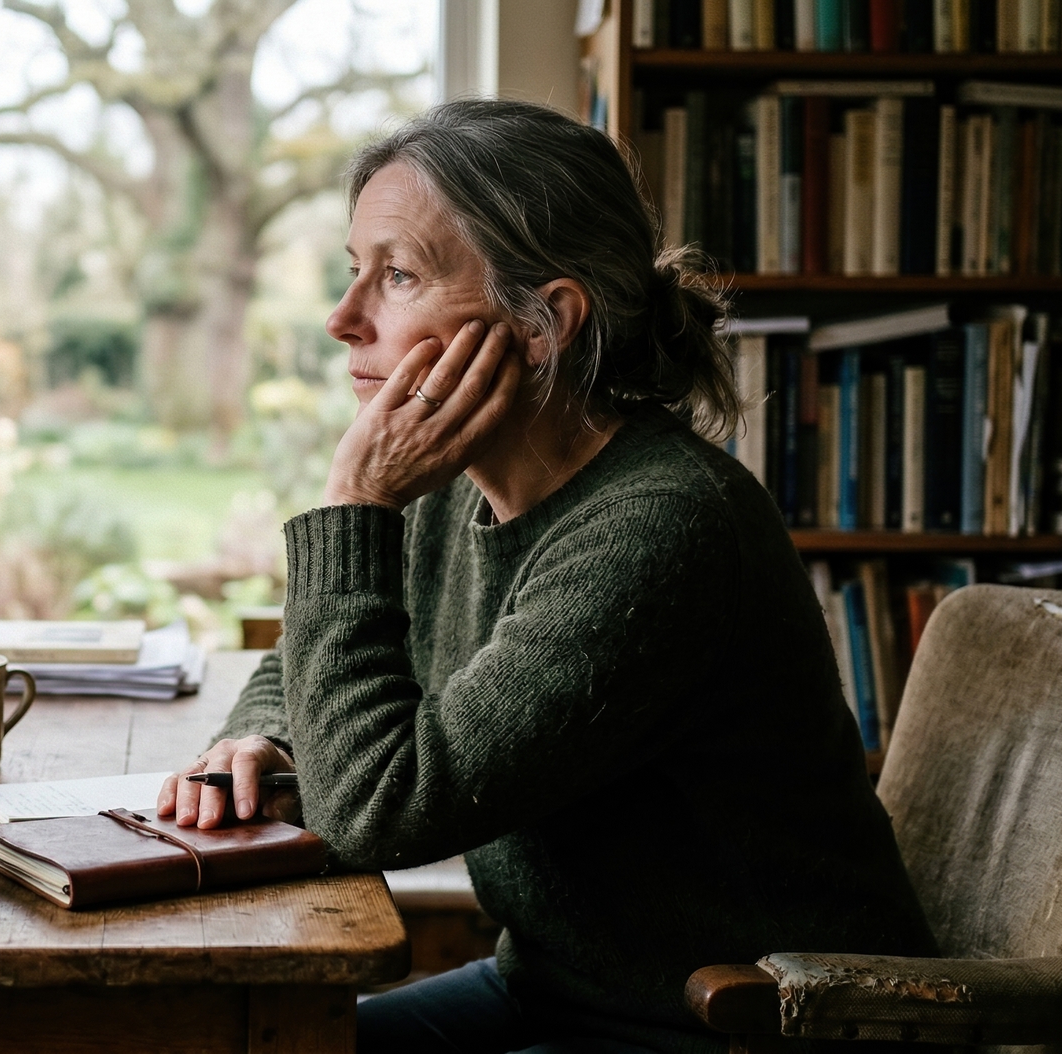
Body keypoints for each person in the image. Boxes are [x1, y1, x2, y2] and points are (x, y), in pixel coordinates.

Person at [155, 99, 937, 1054]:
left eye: (396, 275)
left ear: (544, 325)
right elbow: (327, 656)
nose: (342, 319)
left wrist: (355, 503)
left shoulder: (661, 527)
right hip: (564, 992)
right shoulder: (457, 481)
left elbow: (377, 808)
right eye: (352, 271)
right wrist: (260, 740)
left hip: (738, 1025)